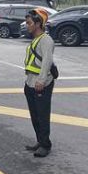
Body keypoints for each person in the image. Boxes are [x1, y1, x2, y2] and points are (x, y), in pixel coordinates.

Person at [24, 8, 56, 158]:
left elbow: (47, 62)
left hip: (41, 83)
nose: (27, 25)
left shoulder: (46, 40)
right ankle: (40, 140)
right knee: (35, 115)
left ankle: (45, 145)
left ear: (38, 24)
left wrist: (41, 80)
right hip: (31, 82)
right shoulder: (36, 39)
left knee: (42, 115)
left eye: (29, 23)